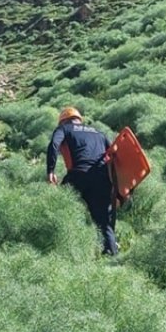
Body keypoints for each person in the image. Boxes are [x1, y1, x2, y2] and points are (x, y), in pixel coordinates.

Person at [47, 107, 118, 256]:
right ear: (79, 119)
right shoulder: (99, 133)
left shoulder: (64, 129)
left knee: (62, 208)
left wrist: (51, 171)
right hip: (102, 178)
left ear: (64, 121)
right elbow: (114, 154)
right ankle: (112, 257)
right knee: (104, 222)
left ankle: (63, 250)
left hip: (78, 175)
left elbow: (54, 145)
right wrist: (118, 186)